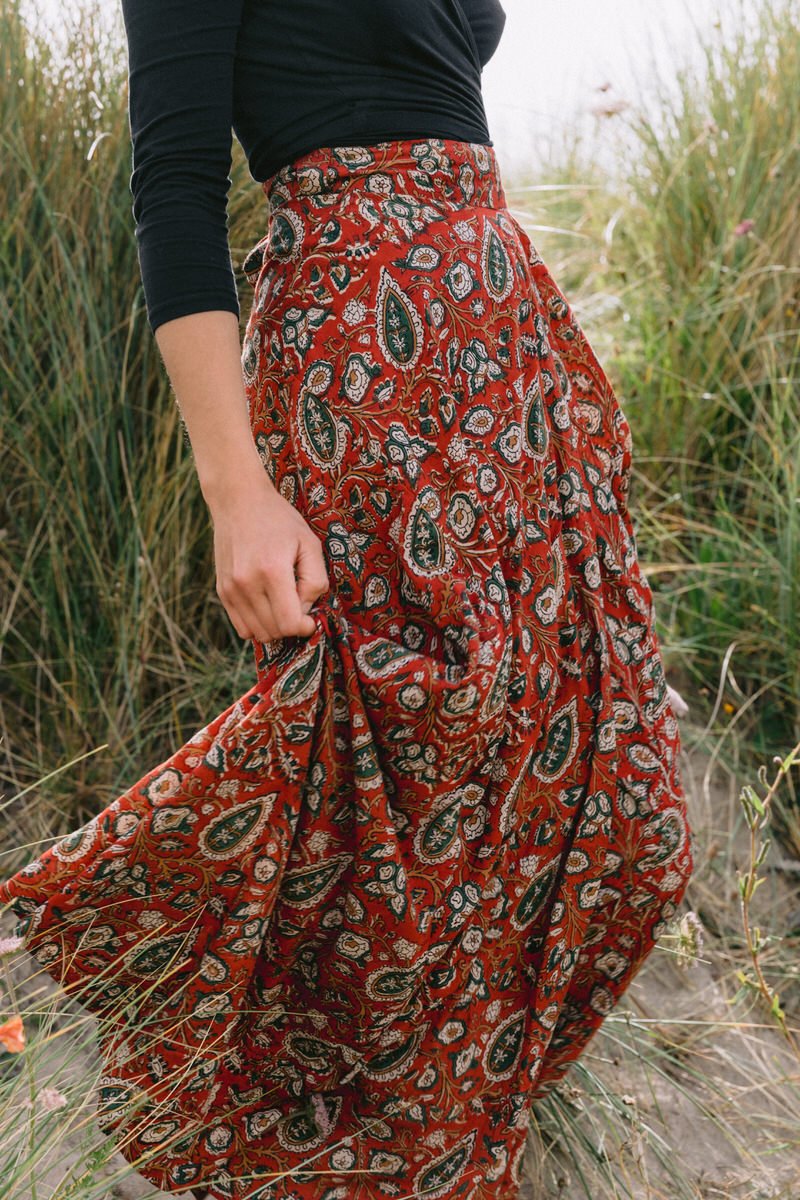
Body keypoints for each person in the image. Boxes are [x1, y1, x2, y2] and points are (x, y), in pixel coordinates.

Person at [0, 2, 696, 1198]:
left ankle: (457, 1135)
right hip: (361, 359)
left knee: (614, 800)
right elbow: (170, 188)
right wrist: (237, 496)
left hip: (504, 346)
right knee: (400, 780)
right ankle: (359, 1146)